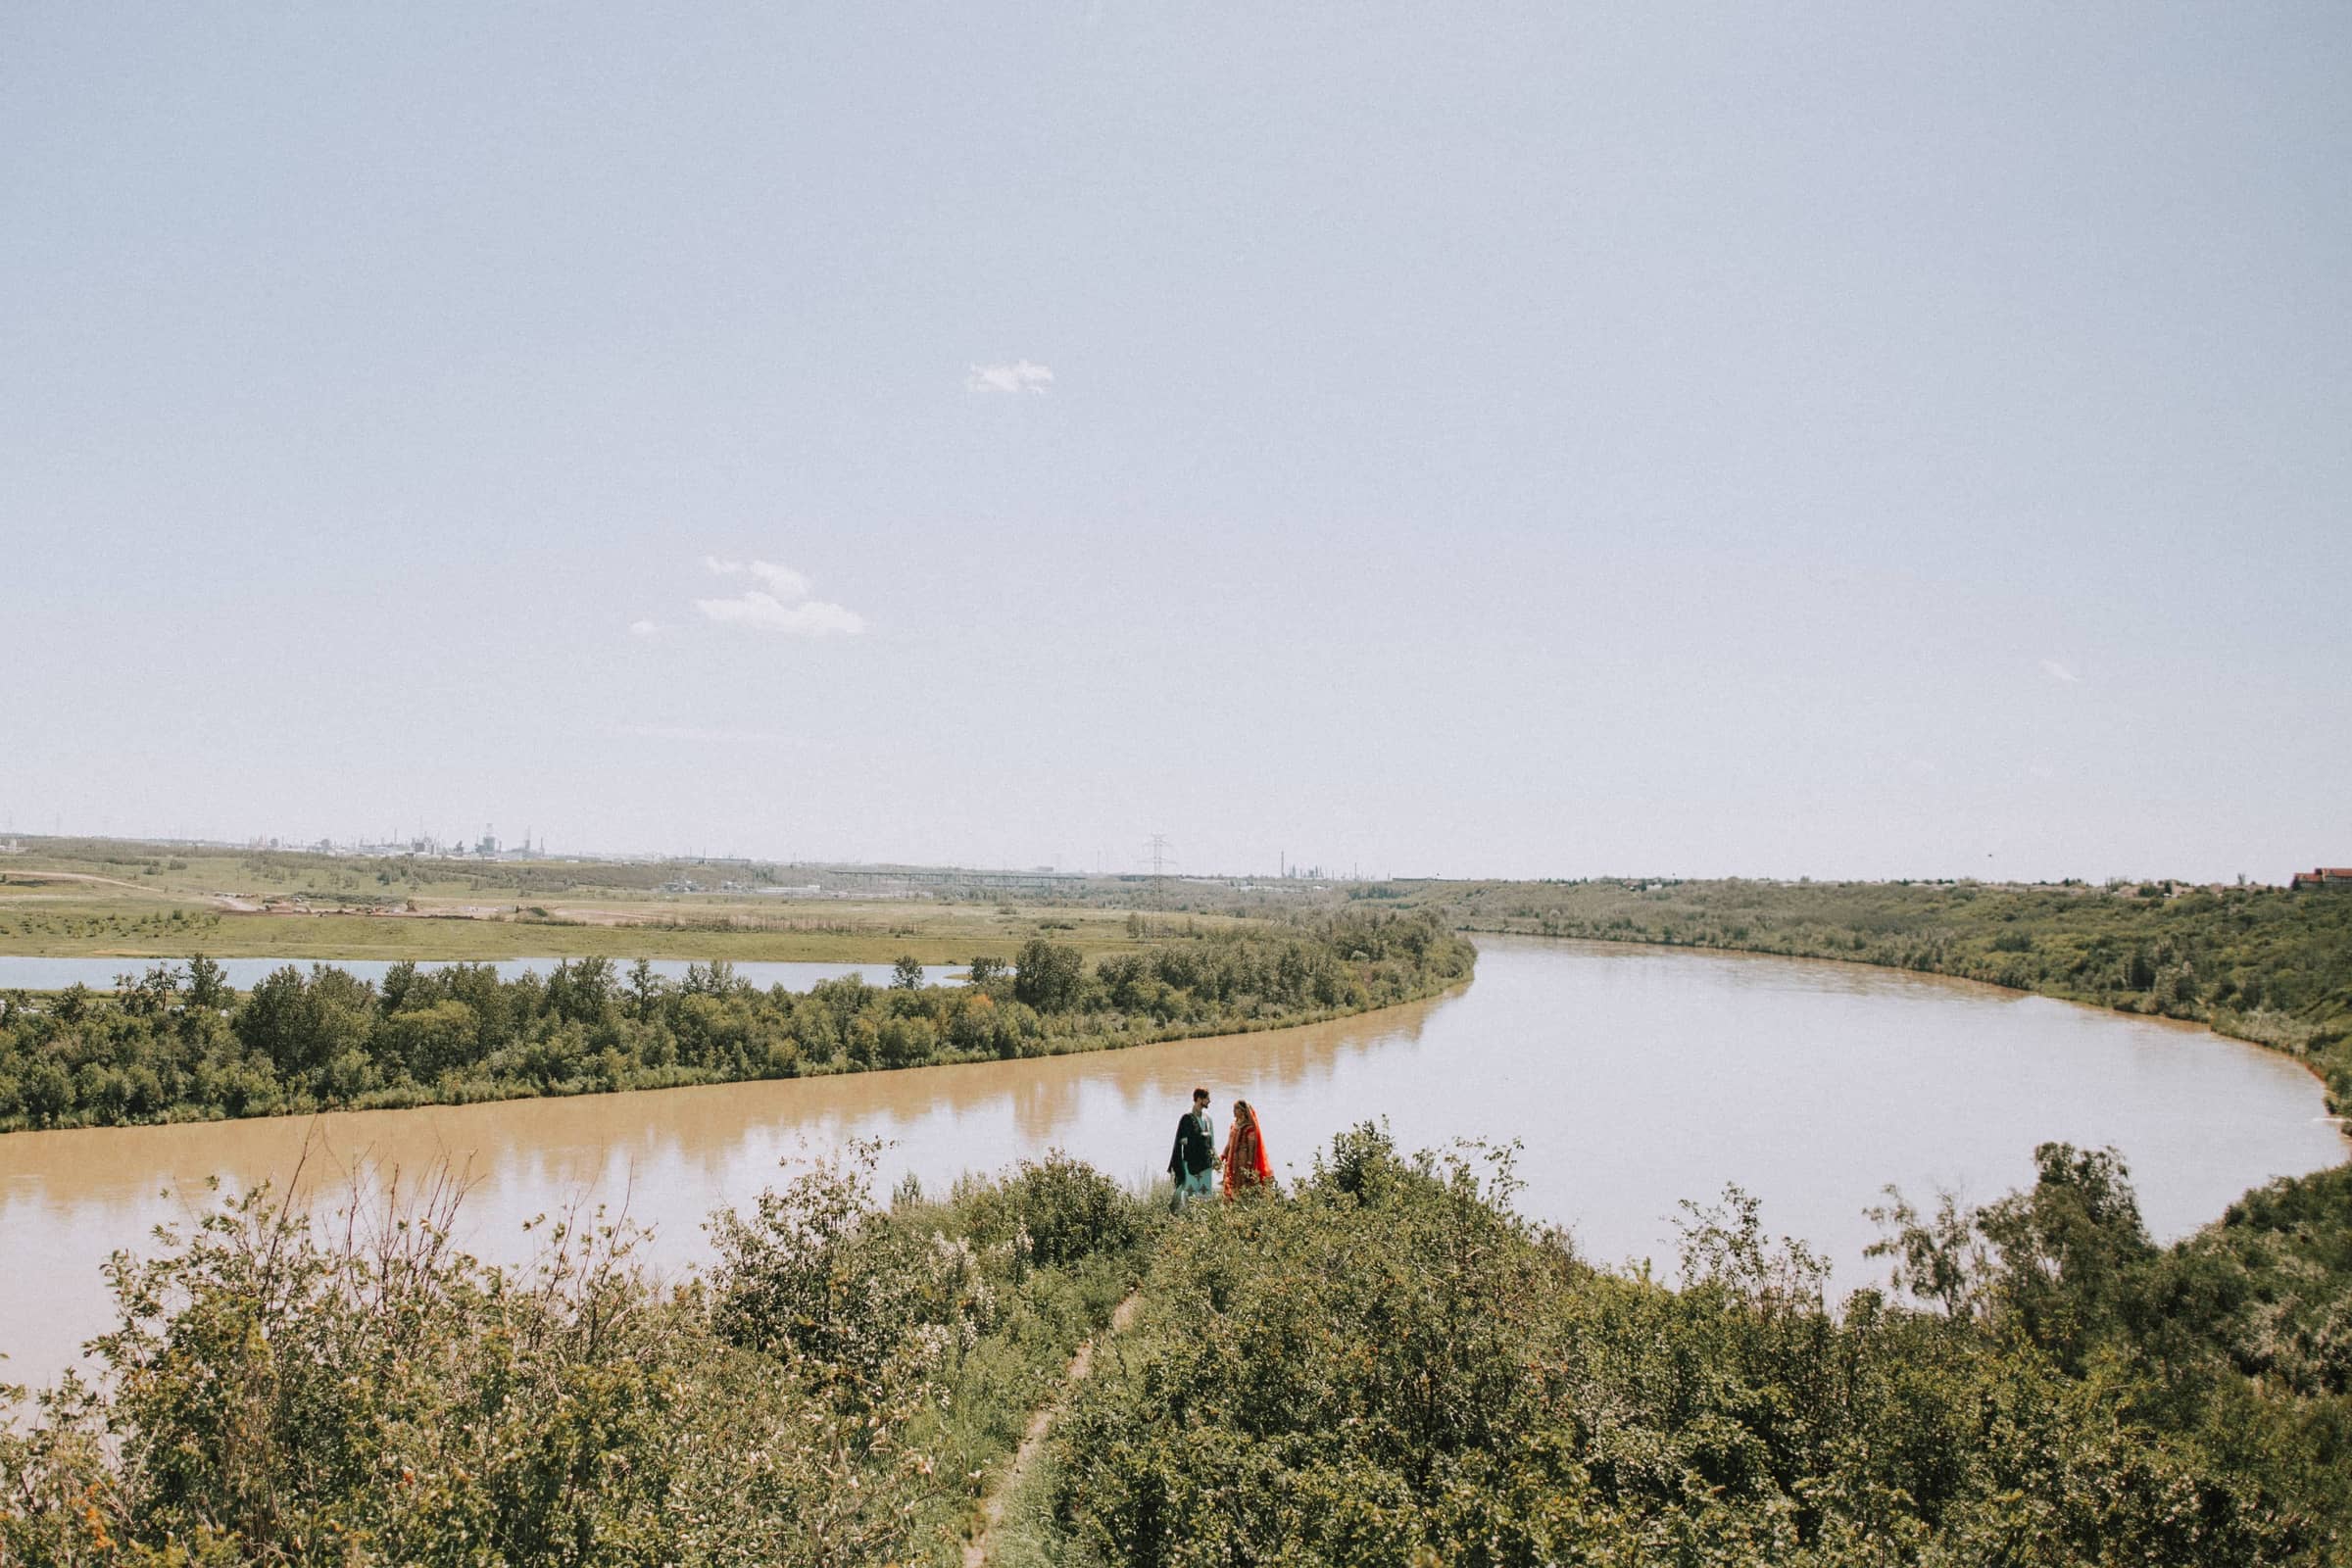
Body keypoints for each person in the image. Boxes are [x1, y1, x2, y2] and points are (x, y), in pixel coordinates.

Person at [1168, 1087, 1217, 1207]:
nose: (1209, 1101)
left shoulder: (1207, 1119)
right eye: (1207, 1098)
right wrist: (1199, 1139)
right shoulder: (1187, 1118)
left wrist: (1215, 1157)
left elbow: (1212, 1142)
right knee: (1189, 1193)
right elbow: (1183, 1141)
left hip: (1205, 1163)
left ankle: (1202, 1221)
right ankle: (1183, 1216)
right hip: (1191, 1162)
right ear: (1199, 1099)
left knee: (1205, 1195)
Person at [1221, 1100, 1272, 1199]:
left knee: (1243, 1183)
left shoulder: (1249, 1128)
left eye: (1236, 1108)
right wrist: (1223, 1155)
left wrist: (1249, 1164)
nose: (1234, 1111)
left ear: (1243, 1111)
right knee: (1230, 1182)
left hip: (1243, 1160)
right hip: (1232, 1160)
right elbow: (1229, 1143)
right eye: (1234, 1108)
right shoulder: (1233, 1125)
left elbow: (1252, 1149)